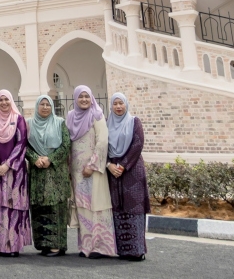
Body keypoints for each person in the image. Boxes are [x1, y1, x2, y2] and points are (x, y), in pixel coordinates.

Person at [66, 85, 116, 259]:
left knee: (97, 206)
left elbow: (102, 142)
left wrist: (92, 165)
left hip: (93, 169)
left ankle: (101, 247)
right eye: (81, 97)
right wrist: (69, 168)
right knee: (82, 207)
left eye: (87, 96)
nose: (84, 100)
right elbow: (68, 143)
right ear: (75, 98)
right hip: (77, 171)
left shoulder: (97, 115)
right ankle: (86, 246)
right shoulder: (71, 116)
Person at [0, 90, 32, 257]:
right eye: (1, 100)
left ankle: (13, 247)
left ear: (11, 101)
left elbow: (21, 144)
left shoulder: (18, 119)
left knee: (14, 208)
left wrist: (8, 165)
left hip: (15, 173)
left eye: (7, 99)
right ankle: (0, 246)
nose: (4, 103)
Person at [106, 93, 150, 261]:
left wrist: (123, 165)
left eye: (121, 103)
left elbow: (138, 143)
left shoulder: (134, 122)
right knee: (118, 208)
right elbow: (103, 145)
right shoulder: (107, 124)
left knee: (134, 208)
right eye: (115, 104)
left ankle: (137, 250)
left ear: (126, 105)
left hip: (132, 170)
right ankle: (123, 250)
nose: (118, 107)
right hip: (113, 171)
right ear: (111, 106)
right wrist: (109, 164)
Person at [26, 95, 70, 257]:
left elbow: (66, 145)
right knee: (39, 207)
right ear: (37, 106)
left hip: (56, 173)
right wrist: (34, 158)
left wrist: (50, 159)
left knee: (56, 207)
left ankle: (57, 246)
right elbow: (23, 145)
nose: (45, 107)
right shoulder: (29, 124)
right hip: (37, 172)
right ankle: (43, 244)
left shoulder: (60, 123)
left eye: (48, 105)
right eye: (42, 104)